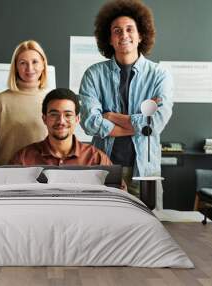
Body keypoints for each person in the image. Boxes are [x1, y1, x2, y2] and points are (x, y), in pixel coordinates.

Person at [79, 0, 173, 196]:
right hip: (104, 172)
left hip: (145, 171)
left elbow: (155, 124)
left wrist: (110, 116)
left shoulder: (159, 75)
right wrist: (140, 125)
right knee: (102, 226)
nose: (124, 35)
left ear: (140, 36)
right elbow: (90, 123)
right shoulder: (93, 75)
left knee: (148, 224)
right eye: (117, 30)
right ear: (110, 39)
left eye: (130, 29)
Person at [0, 40, 49, 165]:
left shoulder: (51, 100)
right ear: (16, 67)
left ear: (43, 64)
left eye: (35, 62)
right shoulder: (1, 100)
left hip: (42, 177)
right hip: (6, 176)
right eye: (23, 63)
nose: (29, 68)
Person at [10, 88, 112, 167]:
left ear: (77, 119)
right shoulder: (23, 159)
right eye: (54, 114)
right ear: (44, 119)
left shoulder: (96, 159)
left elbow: (119, 191)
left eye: (68, 115)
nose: (61, 121)